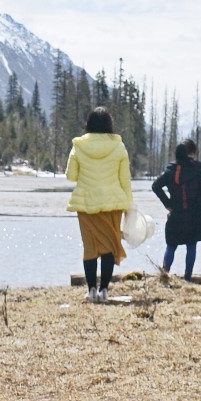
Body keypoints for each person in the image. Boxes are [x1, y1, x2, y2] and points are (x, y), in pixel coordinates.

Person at [66, 106, 132, 302]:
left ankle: (91, 290)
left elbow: (71, 175)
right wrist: (129, 206)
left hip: (86, 203)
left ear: (88, 124)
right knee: (110, 246)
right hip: (113, 204)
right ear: (110, 125)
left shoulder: (78, 145)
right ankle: (104, 290)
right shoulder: (118, 146)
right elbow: (125, 180)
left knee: (90, 247)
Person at [151, 139, 201, 279]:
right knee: (191, 246)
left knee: (171, 246)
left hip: (175, 214)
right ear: (193, 153)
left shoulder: (170, 172)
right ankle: (187, 278)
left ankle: (164, 275)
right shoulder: (198, 172)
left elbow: (155, 186)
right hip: (193, 216)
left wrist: (168, 204)